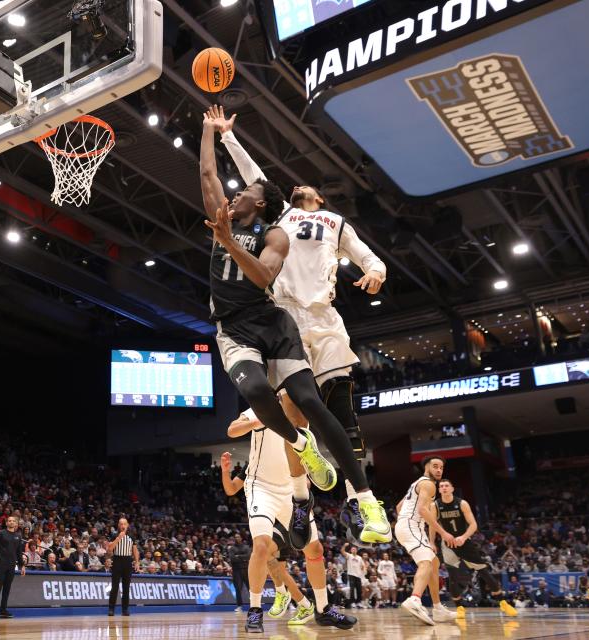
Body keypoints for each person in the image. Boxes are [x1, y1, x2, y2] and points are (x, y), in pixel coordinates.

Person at [200, 109, 391, 546]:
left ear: (319, 199)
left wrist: (376, 271)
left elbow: (366, 255)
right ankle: (303, 501)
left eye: (308, 186)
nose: (299, 185)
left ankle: (363, 501)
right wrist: (227, 137)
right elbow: (254, 178)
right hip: (278, 311)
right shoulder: (280, 216)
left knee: (339, 409)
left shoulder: (335, 223)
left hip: (321, 319)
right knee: (294, 412)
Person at [221, 410, 355, 633]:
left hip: (292, 490)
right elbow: (232, 430)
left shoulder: (302, 414)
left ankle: (322, 608)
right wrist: (259, 420)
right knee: (262, 546)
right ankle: (255, 611)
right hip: (261, 488)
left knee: (315, 548)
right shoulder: (259, 408)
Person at [434, 478, 515, 617]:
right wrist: (432, 541)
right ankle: (459, 608)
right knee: (453, 577)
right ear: (439, 490)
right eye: (441, 486)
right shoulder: (435, 505)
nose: (444, 488)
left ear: (452, 488)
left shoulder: (462, 503)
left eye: (447, 485)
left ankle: (503, 602)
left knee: (484, 572)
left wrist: (463, 537)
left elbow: (473, 525)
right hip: (447, 544)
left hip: (464, 541)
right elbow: (432, 525)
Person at [394, 456, 457, 626]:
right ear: (426, 467)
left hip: (409, 526)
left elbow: (399, 507)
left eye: (441, 468)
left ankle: (437, 609)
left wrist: (429, 540)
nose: (438, 470)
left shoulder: (417, 484)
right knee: (426, 563)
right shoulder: (428, 484)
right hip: (411, 526)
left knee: (434, 563)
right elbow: (422, 510)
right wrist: (443, 533)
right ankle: (414, 600)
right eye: (435, 466)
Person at [0, 516, 26, 619]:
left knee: (7, 588)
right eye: (9, 521)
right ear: (6, 523)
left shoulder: (18, 536)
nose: (11, 522)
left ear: (16, 524)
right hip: (1, 565)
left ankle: (3, 610)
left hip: (11, 566)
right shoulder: (1, 533)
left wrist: (22, 565)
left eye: (13, 521)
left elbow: (19, 553)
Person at [107, 517, 139, 617]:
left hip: (127, 562)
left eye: (124, 524)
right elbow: (109, 549)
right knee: (114, 587)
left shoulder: (131, 536)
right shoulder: (114, 535)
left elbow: (135, 550)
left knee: (126, 588)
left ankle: (125, 609)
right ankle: (111, 609)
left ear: (127, 525)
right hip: (117, 561)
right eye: (121, 524)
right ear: (118, 525)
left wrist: (137, 561)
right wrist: (118, 538)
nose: (122, 526)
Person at [227, 532, 251, 613]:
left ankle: (254, 605)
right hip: (236, 571)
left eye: (238, 537)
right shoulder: (232, 548)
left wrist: (239, 556)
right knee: (238, 589)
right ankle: (239, 606)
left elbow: (248, 556)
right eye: (235, 537)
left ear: (241, 538)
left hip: (246, 570)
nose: (237, 538)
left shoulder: (246, 547)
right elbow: (232, 558)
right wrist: (243, 557)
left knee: (250, 588)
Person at [341, 543, 365, 608]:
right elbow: (342, 551)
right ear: (351, 551)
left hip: (358, 575)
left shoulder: (359, 558)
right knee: (352, 589)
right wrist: (344, 546)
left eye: (355, 549)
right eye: (352, 549)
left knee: (359, 590)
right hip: (351, 574)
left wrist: (362, 570)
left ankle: (358, 602)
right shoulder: (349, 556)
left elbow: (362, 566)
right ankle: (352, 602)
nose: (354, 550)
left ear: (356, 550)